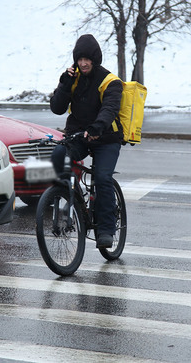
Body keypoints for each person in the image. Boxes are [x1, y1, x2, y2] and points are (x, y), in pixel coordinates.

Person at [50, 34, 123, 249]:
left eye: (87, 59)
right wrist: (65, 84)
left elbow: (110, 108)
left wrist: (97, 127)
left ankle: (106, 229)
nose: (83, 63)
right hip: (78, 135)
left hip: (106, 137)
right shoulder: (73, 79)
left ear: (95, 59)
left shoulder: (111, 81)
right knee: (57, 155)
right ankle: (72, 199)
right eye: (79, 59)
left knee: (102, 177)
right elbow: (57, 108)